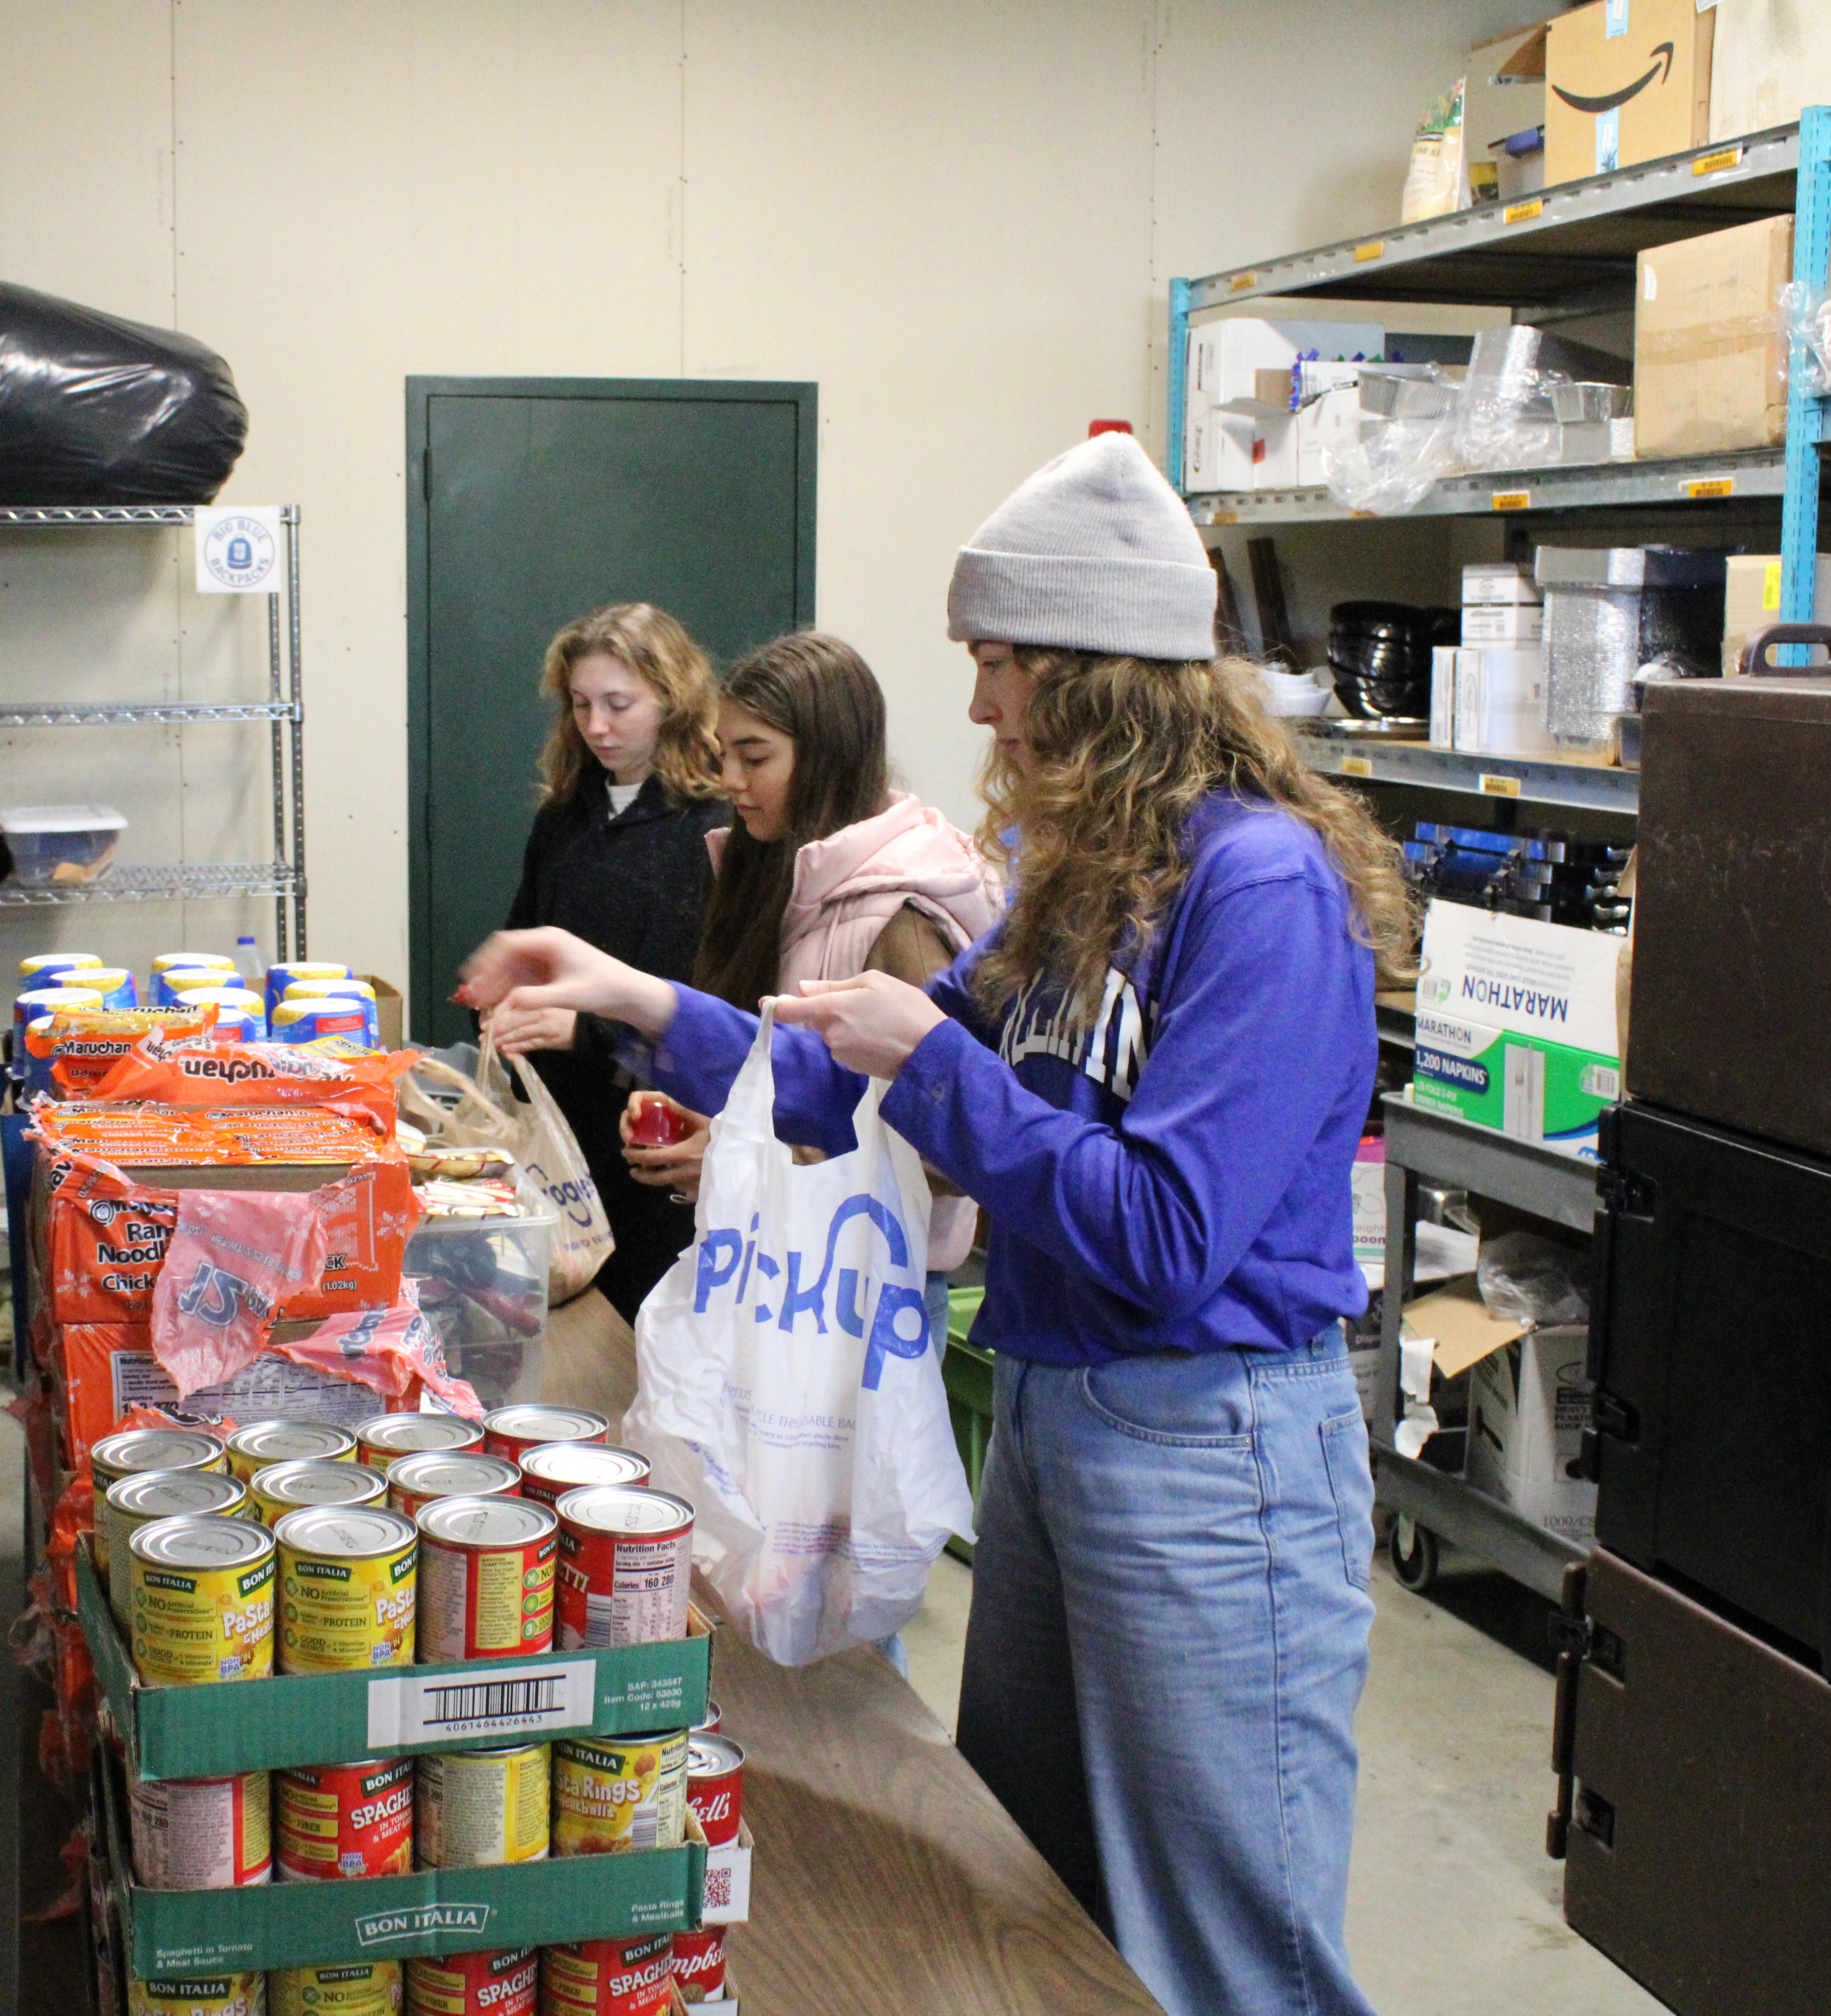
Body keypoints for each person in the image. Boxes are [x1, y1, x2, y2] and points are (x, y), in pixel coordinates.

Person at [460, 434, 1405, 2016]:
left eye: (1001, 665)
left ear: (1103, 677)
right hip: (1051, 1420)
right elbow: (830, 1079)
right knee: (1035, 1876)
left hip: (1207, 1441)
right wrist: (627, 998)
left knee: (1225, 1932)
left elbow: (1166, 1231)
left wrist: (941, 1064)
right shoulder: (1077, 875)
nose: (979, 710)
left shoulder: (1262, 893)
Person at [619, 631, 1000, 1307]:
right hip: (772, 1265)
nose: (730, 781)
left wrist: (749, 1160)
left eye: (755, 757)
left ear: (829, 758)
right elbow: (775, 1080)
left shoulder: (900, 912)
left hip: (864, 1293)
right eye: (723, 754)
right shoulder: (770, 869)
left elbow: (945, 1150)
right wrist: (703, 1122)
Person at [486, 602, 731, 1317]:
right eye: (583, 705)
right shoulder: (566, 816)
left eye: (619, 705)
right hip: (564, 1140)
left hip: (657, 1141)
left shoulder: (714, 826)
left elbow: (703, 1005)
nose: (597, 727)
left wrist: (580, 1030)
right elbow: (524, 939)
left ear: (673, 698)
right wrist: (502, 998)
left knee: (646, 1329)